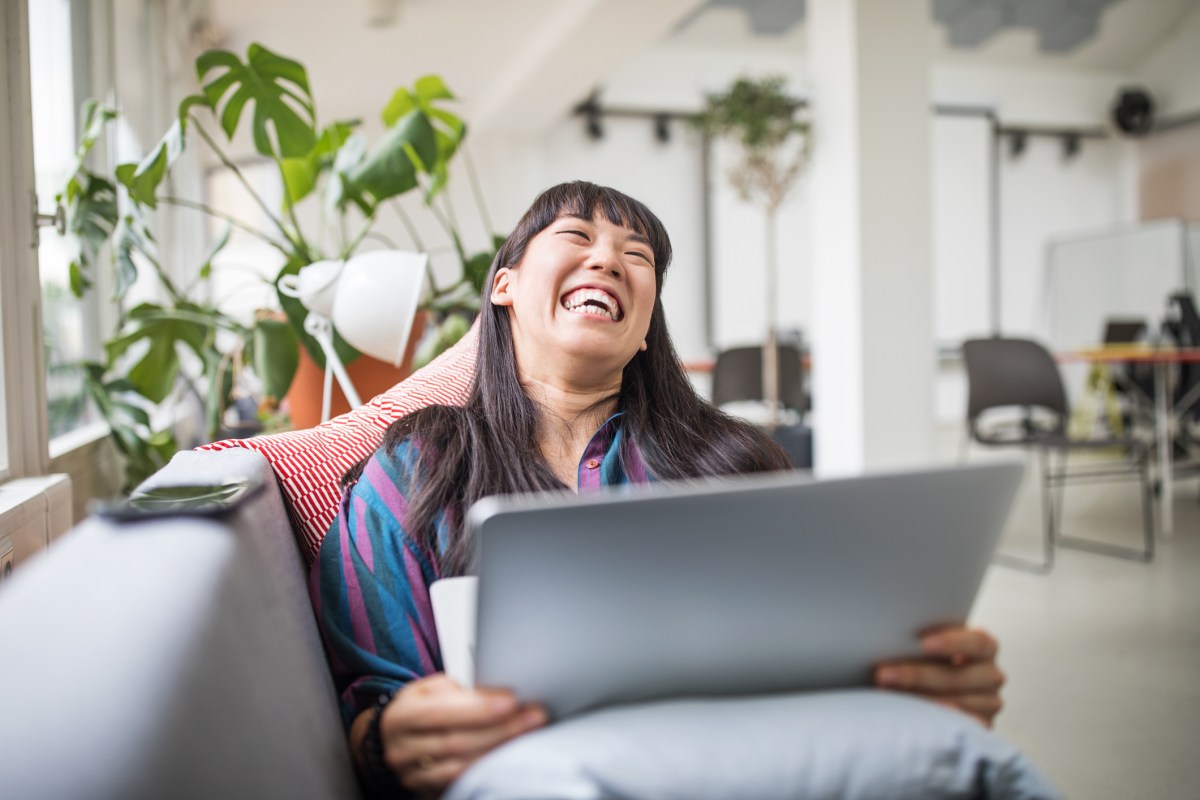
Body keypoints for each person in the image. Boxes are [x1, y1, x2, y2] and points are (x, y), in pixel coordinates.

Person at [311, 181, 1006, 798]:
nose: (609, 259)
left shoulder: (735, 462)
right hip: (543, 775)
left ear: (645, 329)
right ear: (505, 286)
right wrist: (389, 740)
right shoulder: (420, 465)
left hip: (756, 765)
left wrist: (918, 680)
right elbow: (376, 700)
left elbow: (821, 653)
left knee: (969, 757)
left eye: (636, 256)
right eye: (577, 236)